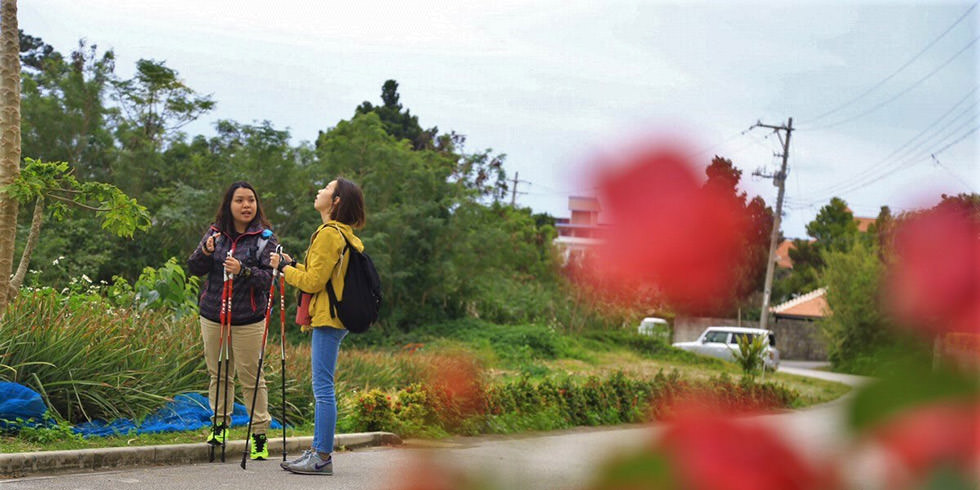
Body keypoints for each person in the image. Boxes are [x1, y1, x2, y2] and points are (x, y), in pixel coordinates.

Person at [271, 177, 366, 476]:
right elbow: (321, 277)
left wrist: (283, 269)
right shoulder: (344, 234)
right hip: (337, 316)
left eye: (326, 188)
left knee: (323, 389)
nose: (319, 191)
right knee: (323, 387)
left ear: (336, 201)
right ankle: (316, 451)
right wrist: (292, 265)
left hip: (328, 317)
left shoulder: (328, 234)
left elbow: (313, 282)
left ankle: (322, 457)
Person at [187, 181, 278, 461]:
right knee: (219, 374)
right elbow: (193, 267)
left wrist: (243, 271)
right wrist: (205, 251)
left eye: (250, 200)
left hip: (248, 319)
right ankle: (219, 427)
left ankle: (259, 436)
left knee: (252, 378)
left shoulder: (264, 238)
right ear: (229, 204)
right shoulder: (215, 233)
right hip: (214, 315)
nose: (246, 205)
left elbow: (269, 279)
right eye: (239, 200)